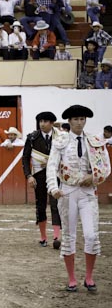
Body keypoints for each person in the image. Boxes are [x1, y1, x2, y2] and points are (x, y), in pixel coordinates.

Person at [46, 105, 111, 292]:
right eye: (76, 119)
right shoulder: (61, 141)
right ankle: (72, 278)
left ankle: (89, 277)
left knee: (91, 235)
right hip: (67, 192)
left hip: (88, 192)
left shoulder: (95, 140)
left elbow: (105, 166)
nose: (79, 122)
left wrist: (95, 177)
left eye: (82, 119)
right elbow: (52, 166)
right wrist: (53, 187)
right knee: (69, 236)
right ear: (69, 121)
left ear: (85, 120)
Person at [22, 111, 61, 249]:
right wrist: (29, 175)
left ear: (51, 123)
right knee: (41, 205)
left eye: (45, 121)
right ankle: (43, 237)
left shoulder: (60, 137)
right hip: (39, 175)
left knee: (57, 205)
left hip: (56, 175)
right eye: (40, 121)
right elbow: (25, 158)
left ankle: (57, 236)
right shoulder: (32, 137)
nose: (42, 124)